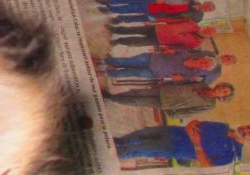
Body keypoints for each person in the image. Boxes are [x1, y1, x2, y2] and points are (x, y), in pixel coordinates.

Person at [113, 120, 250, 166]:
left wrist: (196, 142)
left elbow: (207, 166)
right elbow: (195, 123)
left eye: (249, 132)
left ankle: (107, 156)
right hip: (171, 131)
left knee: (133, 150)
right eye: (248, 126)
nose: (245, 129)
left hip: (174, 148)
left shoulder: (234, 156)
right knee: (129, 139)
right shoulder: (223, 127)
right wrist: (191, 128)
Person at [103, 82, 234, 116]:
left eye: (224, 92)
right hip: (164, 90)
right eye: (223, 88)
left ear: (223, 97)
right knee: (137, 92)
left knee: (138, 101)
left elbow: (190, 112)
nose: (221, 90)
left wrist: (172, 113)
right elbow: (182, 83)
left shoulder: (210, 105)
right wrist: (165, 84)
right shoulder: (203, 84)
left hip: (166, 103)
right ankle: (114, 96)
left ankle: (112, 98)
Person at [102, 51, 234, 83]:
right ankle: (105, 61)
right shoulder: (187, 53)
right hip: (153, 58)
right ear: (203, 58)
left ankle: (109, 73)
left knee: (131, 72)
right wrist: (169, 51)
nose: (204, 64)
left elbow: (182, 80)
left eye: (206, 66)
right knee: (128, 61)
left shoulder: (193, 73)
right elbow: (172, 50)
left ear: (204, 70)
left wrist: (177, 78)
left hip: (156, 72)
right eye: (205, 62)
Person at [109, 20, 217, 49]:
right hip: (158, 28)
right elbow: (172, 20)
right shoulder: (192, 23)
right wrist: (158, 20)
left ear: (209, 37)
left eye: (210, 33)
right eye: (208, 29)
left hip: (160, 41)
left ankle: (119, 41)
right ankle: (116, 30)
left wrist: (166, 48)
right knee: (135, 30)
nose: (207, 31)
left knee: (135, 41)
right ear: (205, 27)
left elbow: (179, 48)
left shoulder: (196, 44)